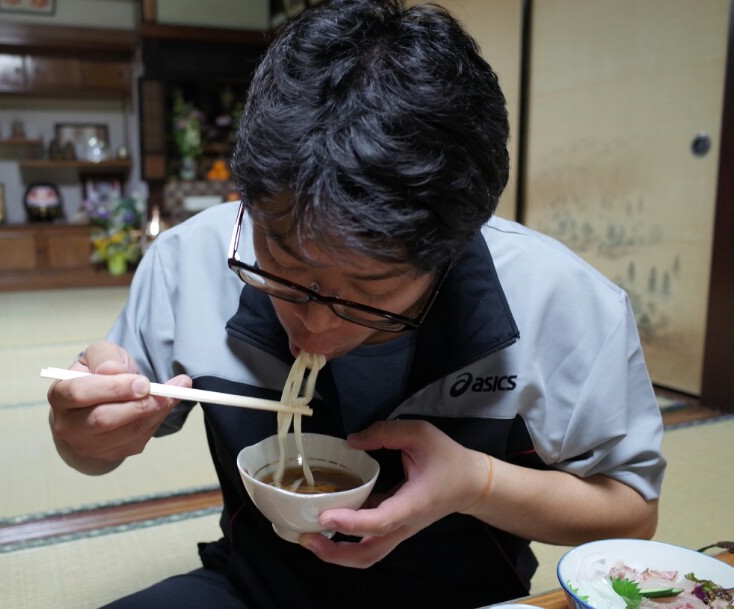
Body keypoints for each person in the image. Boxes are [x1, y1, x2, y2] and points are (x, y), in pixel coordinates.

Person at [46, 1, 666, 607]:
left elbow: (631, 514)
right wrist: (86, 435)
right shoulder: (188, 261)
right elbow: (92, 453)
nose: (316, 325)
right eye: (284, 268)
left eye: (371, 292)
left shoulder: (558, 299)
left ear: (452, 249)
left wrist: (478, 483)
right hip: (257, 587)